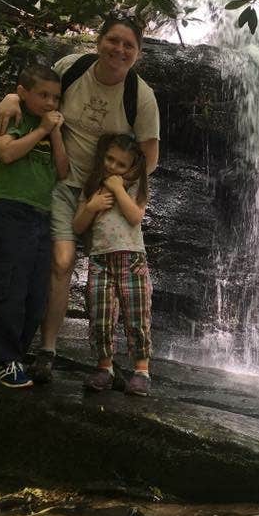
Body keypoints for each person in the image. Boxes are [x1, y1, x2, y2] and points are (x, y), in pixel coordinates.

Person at [0, 14, 160, 384]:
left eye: (128, 45)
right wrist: (10, 96)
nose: (119, 49)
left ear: (138, 53)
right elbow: (37, 93)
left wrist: (118, 186)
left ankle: (128, 365)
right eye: (113, 40)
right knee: (61, 262)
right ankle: (48, 350)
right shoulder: (72, 67)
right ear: (99, 40)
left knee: (118, 279)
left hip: (106, 195)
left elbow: (150, 159)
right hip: (64, 185)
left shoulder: (141, 97)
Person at [0, 64, 69, 388]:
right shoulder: (15, 116)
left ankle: (11, 355)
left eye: (55, 98)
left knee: (35, 294)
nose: (50, 103)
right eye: (43, 95)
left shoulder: (51, 125)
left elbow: (62, 170)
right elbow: (5, 153)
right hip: (9, 212)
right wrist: (42, 130)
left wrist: (55, 132)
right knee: (7, 289)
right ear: (22, 93)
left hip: (41, 216)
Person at [73, 133, 152, 395]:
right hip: (100, 258)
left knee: (136, 314)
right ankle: (104, 367)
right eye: (109, 159)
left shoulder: (135, 186)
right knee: (101, 314)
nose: (113, 166)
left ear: (131, 167)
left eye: (121, 164)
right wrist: (92, 206)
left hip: (131, 258)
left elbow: (135, 217)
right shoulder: (92, 186)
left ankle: (141, 370)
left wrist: (118, 189)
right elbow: (77, 226)